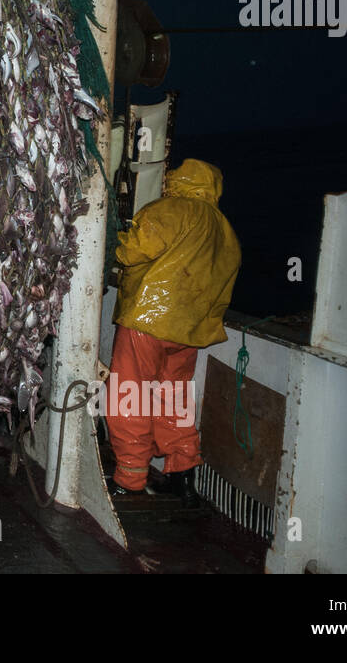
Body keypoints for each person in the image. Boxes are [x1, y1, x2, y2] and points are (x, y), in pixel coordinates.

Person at [107, 158, 241, 503]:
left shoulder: (170, 209)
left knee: (129, 397)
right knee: (174, 398)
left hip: (147, 322)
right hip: (189, 330)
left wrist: (117, 243)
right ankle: (181, 474)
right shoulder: (225, 228)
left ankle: (129, 480)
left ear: (178, 180)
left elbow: (133, 251)